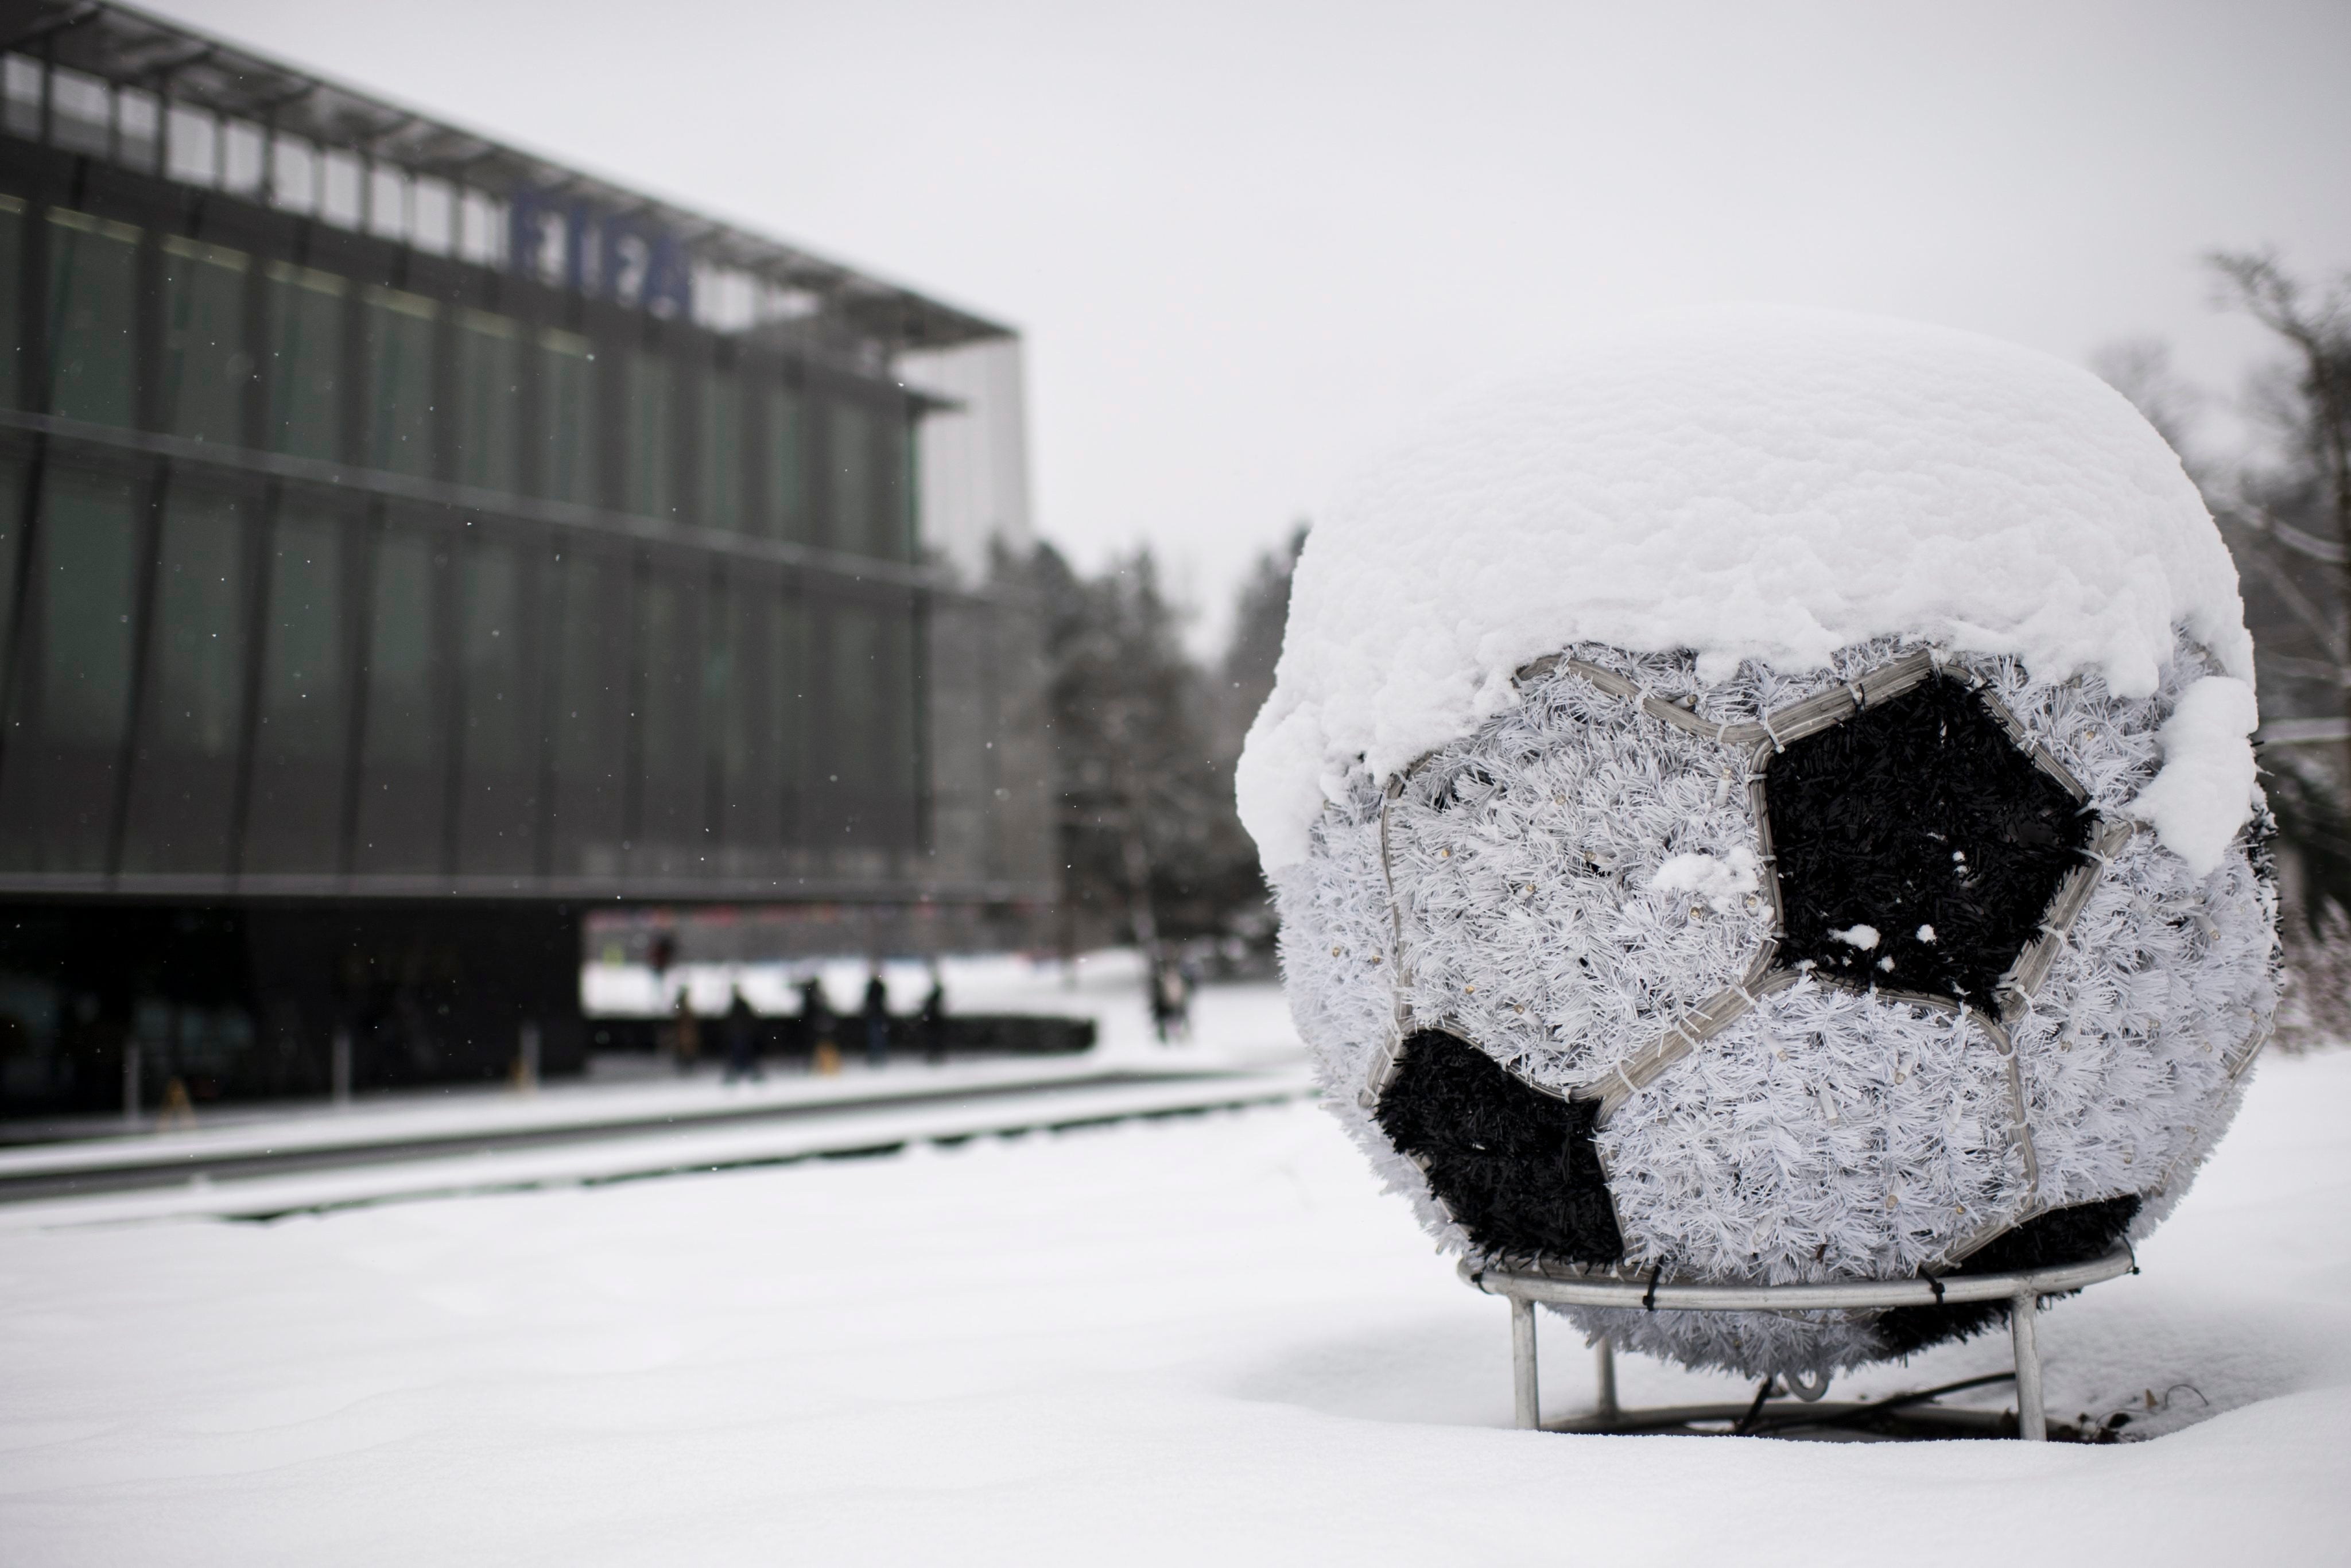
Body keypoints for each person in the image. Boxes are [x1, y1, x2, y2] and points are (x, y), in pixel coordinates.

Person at [798, 974, 838, 1076]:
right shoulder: (818, 995)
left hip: (818, 1026)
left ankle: (826, 1067)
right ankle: (827, 1067)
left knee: (822, 1046)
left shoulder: (812, 995)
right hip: (822, 1026)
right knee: (825, 1046)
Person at [721, 987, 762, 1084]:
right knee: (743, 1057)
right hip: (741, 1035)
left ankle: (750, 1076)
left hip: (741, 1035)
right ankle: (753, 1076)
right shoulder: (740, 1005)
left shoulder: (738, 1005)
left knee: (741, 1057)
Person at [862, 967, 891, 1069]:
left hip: (875, 1015)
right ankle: (878, 1056)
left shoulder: (873, 987)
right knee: (878, 1036)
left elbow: (870, 1001)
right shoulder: (879, 986)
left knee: (875, 1036)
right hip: (878, 1014)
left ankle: (876, 1056)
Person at [919, 968, 948, 1065]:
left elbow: (931, 1002)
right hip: (934, 1018)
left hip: (933, 1018)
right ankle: (935, 1053)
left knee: (933, 1037)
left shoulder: (935, 996)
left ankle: (934, 1053)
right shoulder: (936, 995)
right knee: (935, 1037)